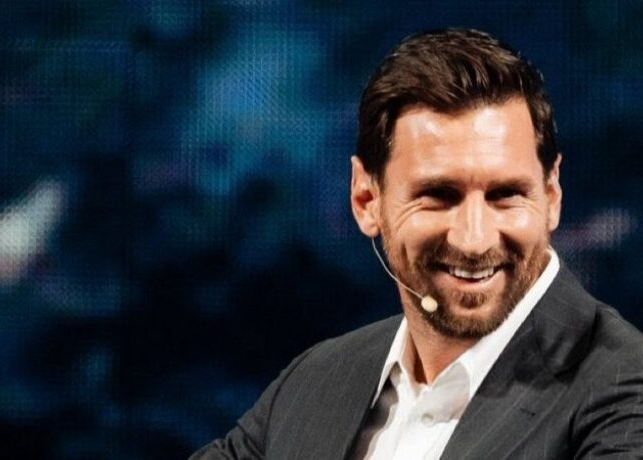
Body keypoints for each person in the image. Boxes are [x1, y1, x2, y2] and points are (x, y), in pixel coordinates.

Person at [191, 28, 643, 459]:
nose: (474, 239)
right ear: (366, 199)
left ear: (551, 196)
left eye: (506, 195)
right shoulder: (316, 378)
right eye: (438, 196)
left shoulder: (625, 389)